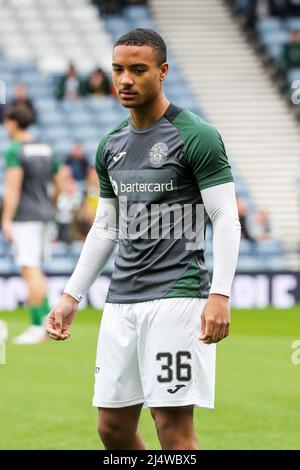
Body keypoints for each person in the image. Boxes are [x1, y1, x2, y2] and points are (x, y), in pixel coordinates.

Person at [47, 28, 241, 450]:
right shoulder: (110, 145)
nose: (125, 80)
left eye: (138, 70)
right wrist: (71, 296)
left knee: (171, 427)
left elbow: (225, 216)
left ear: (163, 71)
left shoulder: (197, 136)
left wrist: (220, 295)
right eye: (118, 70)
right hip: (121, 300)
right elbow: (107, 227)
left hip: (178, 298)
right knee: (111, 429)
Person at [2, 105, 60, 344]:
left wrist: (6, 219)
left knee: (30, 269)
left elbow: (13, 188)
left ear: (14, 123)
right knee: (37, 270)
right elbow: (59, 181)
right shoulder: (46, 148)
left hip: (26, 218)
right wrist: (51, 206)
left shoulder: (16, 150)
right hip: (45, 217)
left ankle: (38, 327)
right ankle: (44, 325)